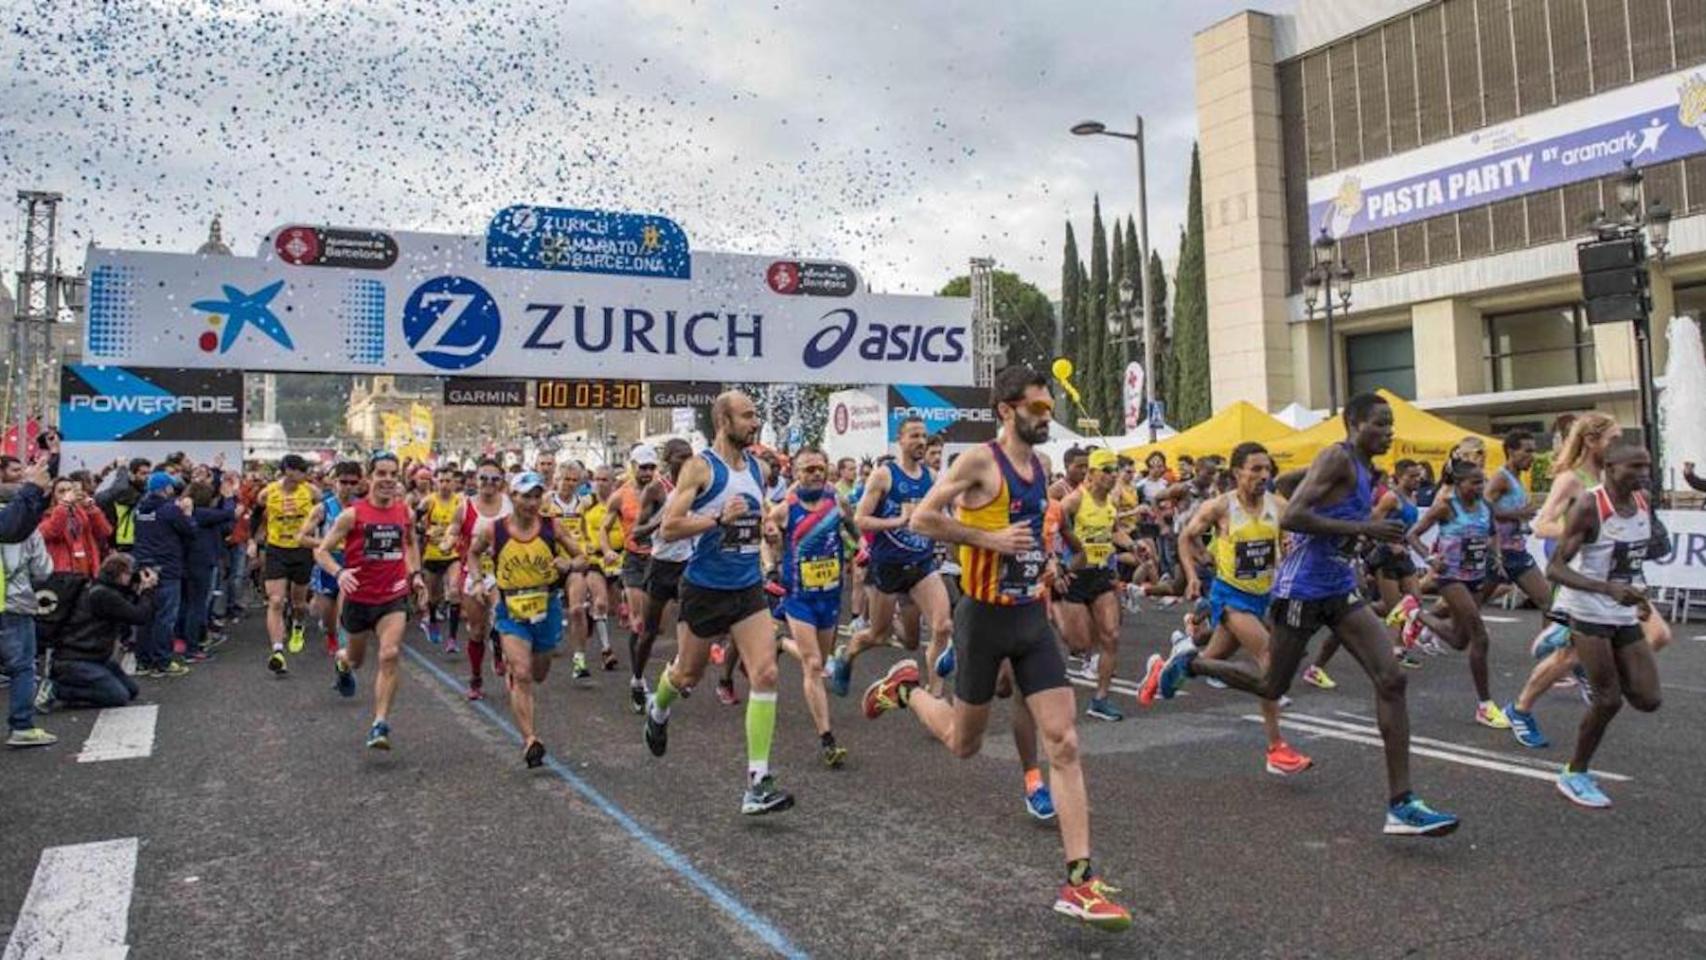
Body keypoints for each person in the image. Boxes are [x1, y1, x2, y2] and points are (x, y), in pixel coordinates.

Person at [863, 365, 1132, 931]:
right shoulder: (978, 462)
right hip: (982, 619)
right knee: (964, 743)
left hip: (1030, 617)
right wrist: (987, 539)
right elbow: (924, 518)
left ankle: (1079, 880)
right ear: (1007, 410)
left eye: (1048, 405)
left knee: (1064, 738)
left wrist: (1047, 561)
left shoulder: (1041, 468)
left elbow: (1031, 530)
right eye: (1037, 407)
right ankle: (907, 688)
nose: (1047, 414)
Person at [1144, 393, 1458, 837]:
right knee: (1272, 683)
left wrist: (1362, 540)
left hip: (1338, 587)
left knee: (1391, 678)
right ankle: (1189, 663)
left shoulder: (1367, 471)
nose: (1389, 432)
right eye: (1380, 424)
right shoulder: (1338, 457)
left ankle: (1401, 804)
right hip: (1300, 589)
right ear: (1353, 424)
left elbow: (1306, 498)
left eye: (1390, 425)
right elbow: (1293, 516)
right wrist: (1364, 528)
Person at [644, 391, 795, 816]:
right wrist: (716, 520)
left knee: (764, 672)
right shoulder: (699, 467)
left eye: (755, 415)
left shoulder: (759, 468)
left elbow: (756, 514)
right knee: (688, 674)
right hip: (705, 588)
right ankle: (658, 708)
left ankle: (758, 782)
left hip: (746, 587)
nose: (755, 422)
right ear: (723, 421)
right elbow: (670, 528)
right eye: (747, 416)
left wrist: (767, 531)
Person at [1151, 441, 1313, 776]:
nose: (1262, 476)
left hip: (1265, 595)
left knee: (1210, 662)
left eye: (1267, 469)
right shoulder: (1220, 507)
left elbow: (1292, 542)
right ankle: (1276, 749)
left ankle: (1173, 668)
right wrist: (1193, 575)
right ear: (1237, 472)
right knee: (1270, 657)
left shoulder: (1278, 506)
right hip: (1230, 595)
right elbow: (1185, 537)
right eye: (1255, 469)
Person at [1547, 441, 1665, 808]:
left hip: (1624, 611)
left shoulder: (1643, 501)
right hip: (1590, 609)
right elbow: (1555, 567)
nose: (1643, 474)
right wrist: (1607, 588)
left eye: (1646, 466)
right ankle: (1574, 773)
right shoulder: (1589, 505)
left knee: (1648, 699)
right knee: (1609, 699)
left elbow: (1651, 550)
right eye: (1634, 467)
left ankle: (1577, 654)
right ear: (1611, 466)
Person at [828, 417, 952, 698]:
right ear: (901, 441)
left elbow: (934, 519)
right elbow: (860, 519)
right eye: (914, 436)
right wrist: (898, 521)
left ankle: (935, 695)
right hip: (888, 567)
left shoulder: (930, 478)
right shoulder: (885, 475)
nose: (920, 441)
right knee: (877, 635)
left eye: (923, 436)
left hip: (921, 564)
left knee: (935, 630)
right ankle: (846, 656)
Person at [467, 471, 582, 766]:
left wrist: (568, 564)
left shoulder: (551, 526)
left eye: (536, 496)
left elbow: (583, 557)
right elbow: (473, 554)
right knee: (522, 672)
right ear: (512, 496)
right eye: (525, 496)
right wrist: (479, 581)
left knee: (539, 673)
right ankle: (531, 739)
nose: (532, 502)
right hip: (511, 609)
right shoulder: (495, 530)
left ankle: (517, 677)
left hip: (546, 607)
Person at [315, 452, 428, 751]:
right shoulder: (352, 514)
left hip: (392, 596)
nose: (388, 479)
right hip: (358, 599)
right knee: (355, 659)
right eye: (381, 474)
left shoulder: (405, 512)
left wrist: (415, 574)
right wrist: (339, 573)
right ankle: (342, 663)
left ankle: (379, 724)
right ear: (370, 478)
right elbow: (321, 551)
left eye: (393, 474)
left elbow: (410, 544)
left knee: (389, 654)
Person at [767, 446, 854, 767]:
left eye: (820, 468)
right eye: (808, 469)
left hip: (830, 595)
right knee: (814, 665)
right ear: (796, 474)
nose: (816, 474)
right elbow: (767, 533)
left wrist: (859, 551)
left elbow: (852, 528)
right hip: (798, 597)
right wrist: (770, 566)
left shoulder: (837, 503)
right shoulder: (786, 509)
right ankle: (827, 740)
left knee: (823, 658)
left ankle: (780, 641)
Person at [1404, 459, 1504, 728]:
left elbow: (1493, 535)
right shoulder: (1446, 507)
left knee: (1460, 641)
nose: (1480, 487)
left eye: (1482, 481)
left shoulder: (1486, 507)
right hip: (1450, 578)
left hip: (1476, 578)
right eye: (1475, 482)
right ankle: (1485, 706)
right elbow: (1413, 535)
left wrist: (1496, 555)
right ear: (1459, 484)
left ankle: (1414, 613)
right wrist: (1430, 558)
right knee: (1479, 637)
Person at [1056, 448, 1135, 721]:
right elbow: (1050, 532)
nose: (1113, 476)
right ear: (1092, 473)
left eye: (1115, 471)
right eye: (1108, 471)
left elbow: (1113, 532)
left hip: (1101, 576)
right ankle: (1052, 609)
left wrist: (1134, 545)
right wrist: (1055, 564)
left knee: (1111, 636)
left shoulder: (1110, 503)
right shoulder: (1073, 502)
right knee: (1080, 642)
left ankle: (1100, 699)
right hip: (1075, 577)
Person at [627, 439, 695, 713]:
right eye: (680, 458)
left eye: (689, 457)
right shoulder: (657, 489)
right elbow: (637, 532)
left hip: (687, 564)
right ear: (668, 461)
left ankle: (680, 673)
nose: (686, 462)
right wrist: (661, 522)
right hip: (660, 564)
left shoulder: (696, 486)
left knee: (693, 623)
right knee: (650, 631)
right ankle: (637, 679)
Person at [45, 553, 155, 710]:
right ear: (122, 575)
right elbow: (139, 616)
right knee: (117, 696)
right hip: (75, 660)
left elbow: (130, 608)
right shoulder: (103, 595)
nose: (134, 577)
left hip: (95, 658)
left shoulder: (103, 588)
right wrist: (147, 591)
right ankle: (56, 690)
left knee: (131, 690)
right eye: (131, 574)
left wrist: (136, 590)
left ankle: (74, 684)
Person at [451, 460, 512, 700]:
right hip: (473, 571)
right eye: (483, 478)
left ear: (502, 481)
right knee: (476, 630)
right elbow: (454, 529)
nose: (488, 483)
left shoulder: (510, 505)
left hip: (502, 571)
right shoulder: (464, 507)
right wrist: (448, 538)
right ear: (475, 480)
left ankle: (499, 649)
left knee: (500, 614)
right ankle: (476, 677)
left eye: (494, 479)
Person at [252, 454, 318, 673]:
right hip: (277, 550)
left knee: (299, 602)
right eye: (302, 470)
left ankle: (298, 625)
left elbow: (323, 513)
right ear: (289, 471)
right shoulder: (268, 492)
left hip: (301, 550)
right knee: (277, 600)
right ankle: (278, 651)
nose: (305, 474)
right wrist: (254, 540)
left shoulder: (311, 491)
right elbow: (257, 513)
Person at [601, 448, 661, 676]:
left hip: (657, 558)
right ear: (632, 466)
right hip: (634, 559)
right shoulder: (620, 496)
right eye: (643, 467)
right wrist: (607, 550)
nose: (647, 473)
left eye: (651, 468)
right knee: (639, 621)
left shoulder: (662, 492)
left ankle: (642, 659)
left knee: (656, 625)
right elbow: (604, 529)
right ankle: (638, 677)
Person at [0, 501, 54, 747]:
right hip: (15, 603)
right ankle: (22, 726)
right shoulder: (28, 529)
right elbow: (43, 570)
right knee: (23, 667)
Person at [132, 471, 195, 678]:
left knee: (145, 616)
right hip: (167, 568)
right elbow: (189, 531)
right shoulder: (170, 510)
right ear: (166, 488)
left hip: (144, 568)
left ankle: (143, 661)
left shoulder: (139, 509)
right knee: (165, 617)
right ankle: (162, 661)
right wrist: (187, 513)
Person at [300, 462, 362, 657]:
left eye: (353, 482)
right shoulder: (322, 508)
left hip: (351, 565)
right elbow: (301, 537)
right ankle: (331, 634)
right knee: (327, 616)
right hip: (327, 565)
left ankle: (344, 651)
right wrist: (325, 542)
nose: (348, 487)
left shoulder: (362, 508)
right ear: (335, 482)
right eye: (343, 482)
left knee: (345, 614)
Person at [418, 465, 465, 652]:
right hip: (432, 554)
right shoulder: (428, 502)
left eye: (449, 481)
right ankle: (432, 621)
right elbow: (412, 522)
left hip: (453, 554)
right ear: (436, 482)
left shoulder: (461, 502)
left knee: (454, 591)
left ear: (454, 483)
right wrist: (424, 530)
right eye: (442, 481)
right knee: (434, 596)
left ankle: (452, 639)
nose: (445, 485)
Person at [40, 477, 112, 578]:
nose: (67, 494)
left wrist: (91, 509)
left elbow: (105, 532)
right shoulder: (46, 516)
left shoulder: (82, 513)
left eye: (70, 490)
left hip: (86, 569)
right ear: (53, 496)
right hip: (63, 574)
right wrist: (63, 505)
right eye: (61, 491)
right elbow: (54, 531)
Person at [95, 458, 151, 554]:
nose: (147, 477)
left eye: (148, 473)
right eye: (143, 473)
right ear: (132, 475)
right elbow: (120, 489)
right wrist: (122, 469)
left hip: (137, 543)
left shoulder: (143, 491)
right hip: (122, 544)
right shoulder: (126, 492)